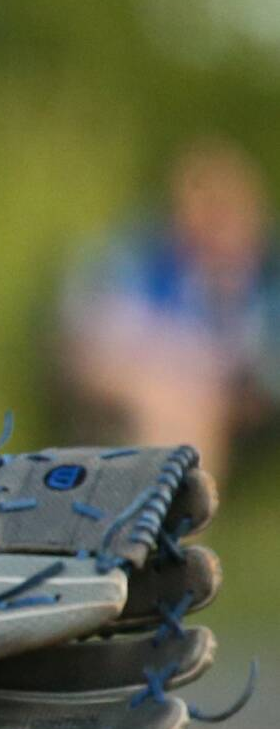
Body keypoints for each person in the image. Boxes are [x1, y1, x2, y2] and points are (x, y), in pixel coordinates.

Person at [59, 138, 280, 478]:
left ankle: (161, 508)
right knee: (171, 397)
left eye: (225, 211)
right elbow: (93, 332)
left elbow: (263, 370)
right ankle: (168, 510)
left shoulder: (264, 276)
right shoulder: (142, 256)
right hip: (145, 380)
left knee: (186, 400)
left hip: (226, 393)